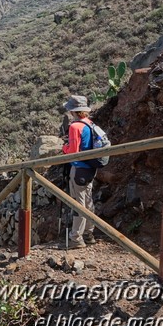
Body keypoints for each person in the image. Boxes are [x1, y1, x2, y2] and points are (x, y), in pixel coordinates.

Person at [61, 95, 97, 249]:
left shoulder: (75, 127)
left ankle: (76, 238)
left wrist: (64, 148)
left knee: (79, 203)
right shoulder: (90, 124)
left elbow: (73, 151)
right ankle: (89, 234)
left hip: (79, 168)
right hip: (90, 168)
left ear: (73, 111)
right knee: (88, 201)